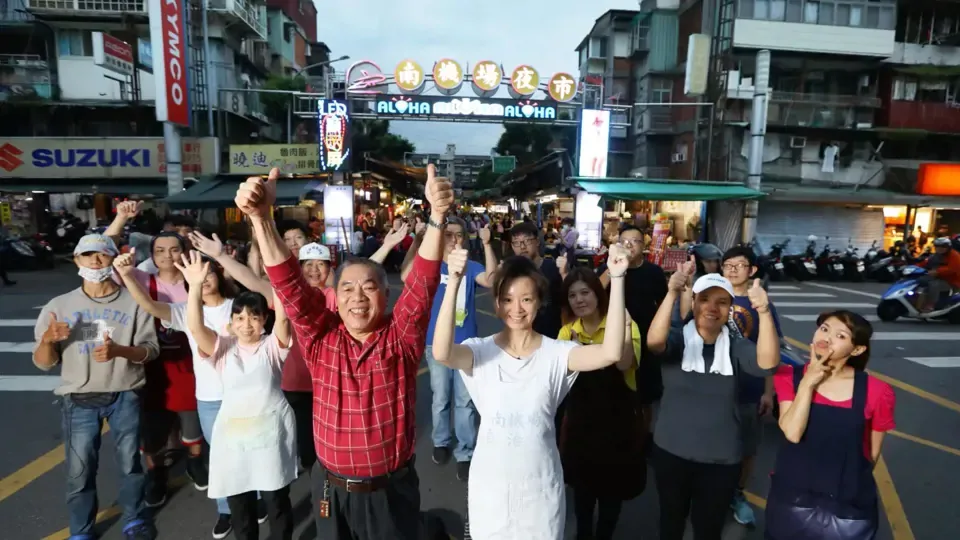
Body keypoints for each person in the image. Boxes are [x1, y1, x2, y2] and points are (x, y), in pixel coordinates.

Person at [237, 165, 451, 539]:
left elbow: (423, 283)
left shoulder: (401, 337)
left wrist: (436, 216)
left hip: (390, 490)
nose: (356, 297)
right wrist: (260, 218)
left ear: (386, 297)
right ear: (337, 297)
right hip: (330, 489)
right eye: (348, 288)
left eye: (368, 288)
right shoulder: (321, 336)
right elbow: (287, 282)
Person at [431, 247, 629, 539]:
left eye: (526, 299)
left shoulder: (557, 354)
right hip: (490, 491)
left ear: (539, 303)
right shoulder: (479, 351)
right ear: (497, 305)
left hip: (540, 492)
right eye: (508, 300)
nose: (517, 309)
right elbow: (442, 352)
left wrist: (618, 277)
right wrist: (455, 283)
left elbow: (611, 352)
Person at [115, 245, 252, 539]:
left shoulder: (240, 305)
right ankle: (227, 510)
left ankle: (251, 504)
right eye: (196, 276)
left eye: (208, 272)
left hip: (247, 394)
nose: (205, 279)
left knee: (251, 453)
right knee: (219, 458)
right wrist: (127, 276)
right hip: (211, 398)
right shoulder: (185, 311)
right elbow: (151, 306)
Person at [33, 234, 160, 540]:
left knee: (130, 464)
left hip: (125, 392)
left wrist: (120, 351)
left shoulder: (135, 301)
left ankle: (133, 519)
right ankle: (81, 530)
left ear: (113, 259)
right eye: (87, 256)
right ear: (76, 261)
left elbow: (150, 350)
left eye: (102, 255)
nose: (95, 261)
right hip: (77, 398)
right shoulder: (59, 306)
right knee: (79, 471)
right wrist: (49, 340)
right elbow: (43, 362)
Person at [646, 266, 780, 540]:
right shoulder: (678, 338)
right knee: (670, 523)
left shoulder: (735, 345)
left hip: (720, 460)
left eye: (722, 301)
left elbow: (768, 363)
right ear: (693, 302)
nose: (712, 307)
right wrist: (672, 292)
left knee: (708, 529)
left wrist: (764, 312)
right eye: (704, 299)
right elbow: (654, 342)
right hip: (672, 452)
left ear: (730, 308)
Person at [178, 251, 296, 540]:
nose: (247, 323)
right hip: (232, 440)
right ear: (230, 322)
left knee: (276, 503)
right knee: (241, 509)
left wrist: (278, 278)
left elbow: (284, 318)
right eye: (240, 317)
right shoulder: (221, 348)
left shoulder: (272, 346)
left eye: (254, 317)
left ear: (264, 320)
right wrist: (194, 287)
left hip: (271, 435)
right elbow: (195, 327)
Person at [767, 311, 895, 540]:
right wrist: (808, 383)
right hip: (792, 501)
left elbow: (871, 453)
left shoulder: (878, 392)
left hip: (847, 509)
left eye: (840, 336)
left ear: (857, 350)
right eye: (824, 329)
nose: (826, 337)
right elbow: (792, 432)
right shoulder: (789, 377)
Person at [393, 217, 496, 481]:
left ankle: (465, 451)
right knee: (441, 397)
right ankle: (441, 441)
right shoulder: (431, 266)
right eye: (447, 235)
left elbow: (493, 280)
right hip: (433, 343)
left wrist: (487, 244)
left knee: (465, 401)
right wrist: (420, 239)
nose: (453, 240)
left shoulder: (471, 267)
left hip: (465, 346)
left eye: (459, 235)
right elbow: (406, 277)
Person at [112, 233, 207, 508]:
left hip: (192, 364)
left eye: (175, 249)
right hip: (153, 366)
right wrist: (123, 264)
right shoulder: (141, 279)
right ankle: (156, 473)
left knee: (192, 420)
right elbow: (105, 274)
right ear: (151, 254)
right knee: (152, 426)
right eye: (160, 250)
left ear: (185, 251)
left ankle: (194, 462)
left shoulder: (196, 280)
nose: (168, 255)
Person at [557, 267, 645, 540]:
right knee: (582, 497)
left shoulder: (622, 325)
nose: (579, 300)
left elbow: (624, 363)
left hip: (618, 430)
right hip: (581, 429)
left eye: (585, 292)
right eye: (572, 295)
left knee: (611, 497)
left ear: (598, 294)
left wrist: (627, 329)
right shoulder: (566, 332)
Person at [597, 225, 668, 449]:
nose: (629, 245)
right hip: (613, 339)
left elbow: (664, 305)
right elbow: (595, 291)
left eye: (635, 241)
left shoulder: (654, 273)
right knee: (614, 388)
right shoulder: (607, 268)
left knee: (646, 394)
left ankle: (644, 438)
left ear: (643, 246)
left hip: (646, 341)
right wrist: (613, 268)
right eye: (624, 241)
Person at [917, 237, 960, 312]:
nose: (940, 248)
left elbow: (952, 269)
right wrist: (913, 267)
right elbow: (925, 263)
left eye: (943, 246)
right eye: (937, 246)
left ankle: (930, 305)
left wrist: (937, 271)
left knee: (934, 285)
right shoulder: (935, 256)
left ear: (948, 247)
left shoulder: (955, 255)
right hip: (937, 278)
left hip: (951, 281)